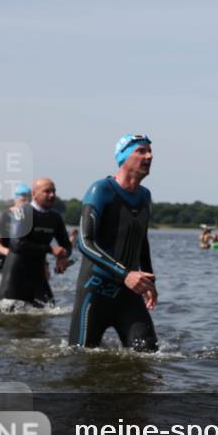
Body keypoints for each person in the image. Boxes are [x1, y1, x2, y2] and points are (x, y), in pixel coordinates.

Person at [69, 134, 158, 351]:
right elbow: (85, 242)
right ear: (124, 157)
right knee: (80, 360)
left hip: (129, 294)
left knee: (149, 355)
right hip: (95, 292)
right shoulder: (100, 190)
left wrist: (149, 281)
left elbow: (141, 241)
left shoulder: (145, 196)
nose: (150, 155)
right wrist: (125, 274)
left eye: (150, 151)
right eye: (141, 151)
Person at [0, 178, 72, 306]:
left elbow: (66, 244)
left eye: (54, 191)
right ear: (34, 194)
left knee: (50, 309)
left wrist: (63, 257)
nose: (52, 195)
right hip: (15, 275)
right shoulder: (23, 212)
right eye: (47, 191)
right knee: (8, 318)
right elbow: (17, 244)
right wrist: (50, 249)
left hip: (37, 274)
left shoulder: (55, 217)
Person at [0, 183, 32, 276]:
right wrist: (11, 254)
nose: (27, 201)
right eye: (23, 197)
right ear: (16, 199)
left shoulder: (31, 217)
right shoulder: (5, 216)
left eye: (29, 197)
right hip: (5, 264)